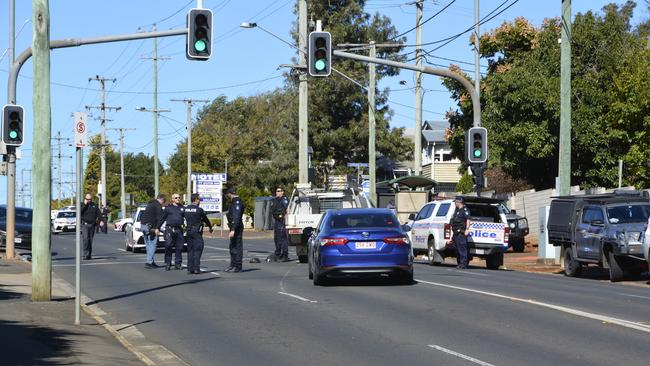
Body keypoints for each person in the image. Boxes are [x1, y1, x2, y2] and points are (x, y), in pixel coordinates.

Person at [184, 193, 214, 274]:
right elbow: (205, 219)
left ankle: (190, 269)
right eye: (199, 199)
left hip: (188, 231)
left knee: (190, 250)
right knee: (198, 249)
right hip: (196, 231)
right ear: (196, 200)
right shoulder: (199, 210)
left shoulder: (186, 209)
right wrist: (210, 227)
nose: (200, 201)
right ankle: (197, 268)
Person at [158, 193, 186, 271]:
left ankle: (178, 264)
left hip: (179, 229)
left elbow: (187, 217)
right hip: (170, 229)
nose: (178, 199)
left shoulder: (182, 208)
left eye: (179, 197)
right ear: (172, 199)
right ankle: (168, 263)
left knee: (179, 247)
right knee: (168, 245)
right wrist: (157, 228)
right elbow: (162, 218)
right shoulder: (168, 208)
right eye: (176, 198)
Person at [141, 193, 165, 269]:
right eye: (163, 202)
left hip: (143, 225)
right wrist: (157, 228)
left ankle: (151, 261)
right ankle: (149, 262)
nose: (163, 203)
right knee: (153, 244)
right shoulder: (158, 205)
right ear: (162, 199)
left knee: (148, 245)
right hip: (151, 227)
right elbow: (160, 218)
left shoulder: (150, 204)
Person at [225, 187, 244, 273]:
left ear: (230, 194)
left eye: (228, 194)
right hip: (234, 227)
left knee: (237, 247)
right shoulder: (234, 202)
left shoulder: (237, 202)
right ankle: (232, 265)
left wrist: (233, 229)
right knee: (232, 247)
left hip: (237, 228)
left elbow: (236, 217)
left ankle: (238, 266)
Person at [450, 196, 471, 269]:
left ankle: (463, 264)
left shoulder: (465, 210)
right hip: (455, 233)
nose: (455, 203)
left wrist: (467, 229)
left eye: (456, 202)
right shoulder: (457, 210)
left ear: (459, 202)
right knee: (456, 249)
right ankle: (460, 262)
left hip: (460, 232)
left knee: (462, 249)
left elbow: (468, 219)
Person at [270, 187, 290, 262]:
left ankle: (285, 254)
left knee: (283, 238)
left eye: (279, 191)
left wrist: (286, 221)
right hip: (277, 221)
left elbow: (287, 210)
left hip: (282, 221)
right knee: (277, 238)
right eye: (277, 191)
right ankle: (278, 253)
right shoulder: (275, 200)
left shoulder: (284, 200)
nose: (277, 192)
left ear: (283, 192)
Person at [80, 193, 101, 260]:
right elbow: (79, 212)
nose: (89, 200)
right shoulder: (82, 205)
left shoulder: (94, 205)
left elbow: (99, 214)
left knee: (90, 240)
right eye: (87, 199)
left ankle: (89, 254)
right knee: (85, 239)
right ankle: (85, 254)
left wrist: (101, 221)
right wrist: (84, 205)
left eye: (90, 199)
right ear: (85, 199)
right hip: (85, 225)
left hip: (92, 225)